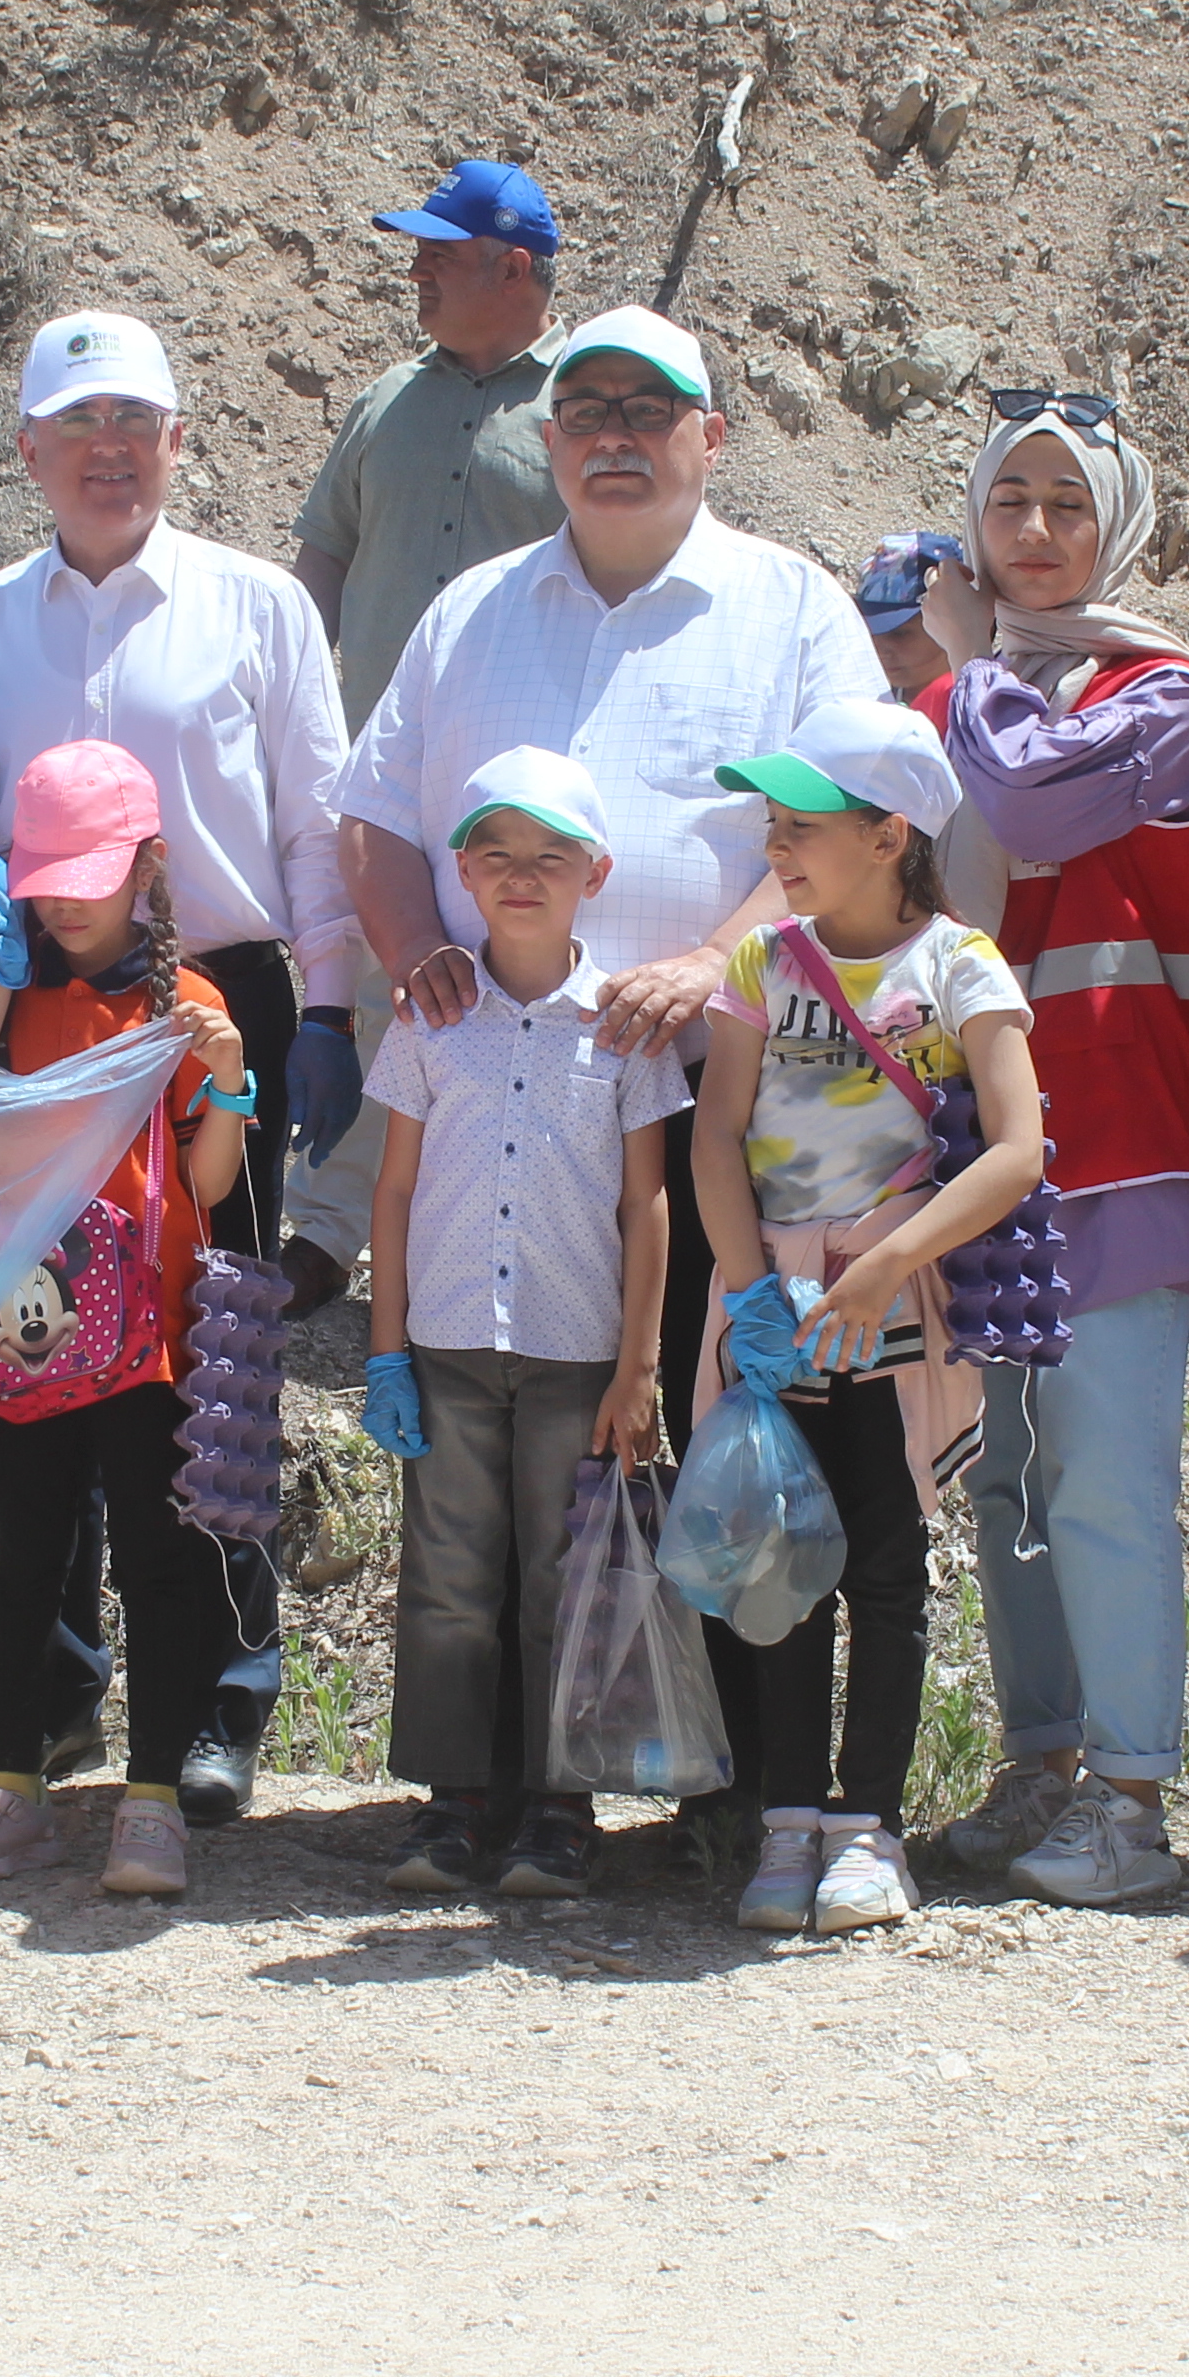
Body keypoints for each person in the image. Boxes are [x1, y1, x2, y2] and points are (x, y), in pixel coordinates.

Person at [335, 302, 889, 1866]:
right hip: (509, 1111)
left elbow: (855, 828)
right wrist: (407, 954)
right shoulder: (472, 614)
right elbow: (375, 816)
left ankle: (731, 1785)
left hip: (744, 1107)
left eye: (654, 408)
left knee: (726, 1434)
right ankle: (520, 1784)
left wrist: (715, 957)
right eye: (585, 408)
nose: (616, 434)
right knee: (533, 1478)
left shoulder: (789, 612)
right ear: (547, 438)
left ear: (714, 437)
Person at [0, 309, 359, 1817]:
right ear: (29, 450)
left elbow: (314, 819)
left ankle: (219, 1708)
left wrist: (328, 1013)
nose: (108, 453)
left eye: (137, 426)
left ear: (181, 443)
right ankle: (44, 1709)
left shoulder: (257, 607)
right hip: (31, 1003)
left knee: (211, 1360)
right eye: (78, 428)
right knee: (44, 1345)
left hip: (214, 1002)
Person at [906, 401, 1189, 1908]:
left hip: (1121, 1136)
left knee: (1104, 1478)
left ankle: (1134, 1798)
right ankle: (1042, 1763)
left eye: (1066, 505)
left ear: (1120, 522)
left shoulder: (1165, 693)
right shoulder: (955, 701)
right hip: (980, 1147)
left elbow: (1033, 791)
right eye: (1009, 501)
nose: (1033, 533)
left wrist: (967, 665)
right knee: (1005, 1476)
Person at [690, 698, 1049, 1937]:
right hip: (779, 1304)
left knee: (889, 1566)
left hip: (899, 1308)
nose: (778, 847)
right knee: (780, 1561)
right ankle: (786, 1818)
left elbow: (1016, 1150)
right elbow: (716, 1138)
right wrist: (747, 1293)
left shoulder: (961, 966)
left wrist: (886, 1265)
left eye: (804, 825)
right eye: (772, 824)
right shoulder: (759, 963)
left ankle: (867, 1827)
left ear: (891, 834)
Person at [0, 743, 259, 1902]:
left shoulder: (190, 1004)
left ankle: (152, 1798)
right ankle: (15, 1784)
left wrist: (231, 1082)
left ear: (148, 870)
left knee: (158, 1563)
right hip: (29, 1329)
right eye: (45, 875)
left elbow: (212, 1187)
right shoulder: (1, 984)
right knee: (27, 1554)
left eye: (90, 874)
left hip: (151, 1337)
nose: (65, 899)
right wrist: (0, 980)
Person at [355, 748, 681, 1901]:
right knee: (449, 1572)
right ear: (463, 871)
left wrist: (639, 1368)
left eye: (550, 857)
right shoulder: (431, 1020)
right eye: (497, 854)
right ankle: (453, 1804)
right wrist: (385, 1349)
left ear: (594, 872)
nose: (522, 876)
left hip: (573, 1346)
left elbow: (648, 1202)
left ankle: (557, 1806)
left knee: (563, 1577)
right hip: (446, 1341)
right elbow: (393, 1191)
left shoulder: (625, 1026)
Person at [283, 159, 572, 1301]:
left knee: (513, 983)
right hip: (376, 756)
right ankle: (321, 1228)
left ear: (514, 269)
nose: (416, 271)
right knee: (364, 973)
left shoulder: (580, 410)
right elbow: (324, 554)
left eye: (439, 255)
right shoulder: (386, 401)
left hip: (518, 769)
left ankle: (498, 1240)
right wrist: (296, 701)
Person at [851, 529, 968, 703]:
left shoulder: (977, 709)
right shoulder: (868, 695)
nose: (880, 649)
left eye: (900, 633)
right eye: (869, 632)